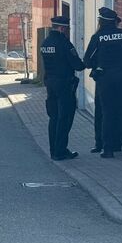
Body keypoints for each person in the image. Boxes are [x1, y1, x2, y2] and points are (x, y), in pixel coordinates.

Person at [83, 7, 122, 158]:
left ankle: (107, 149)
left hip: (105, 81)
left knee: (107, 113)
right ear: (114, 22)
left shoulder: (98, 37)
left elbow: (87, 61)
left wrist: (97, 66)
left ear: (101, 22)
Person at [40, 16, 85, 160]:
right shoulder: (64, 43)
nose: (67, 31)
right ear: (61, 28)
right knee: (64, 118)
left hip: (50, 84)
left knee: (53, 117)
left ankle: (54, 150)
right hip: (64, 85)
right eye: (67, 29)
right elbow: (77, 65)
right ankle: (61, 151)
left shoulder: (45, 42)